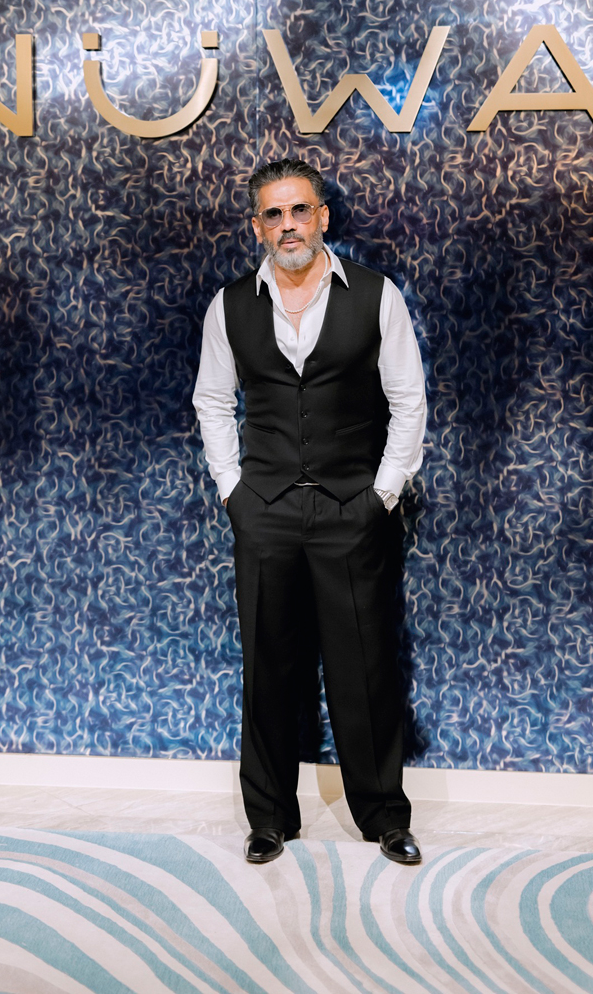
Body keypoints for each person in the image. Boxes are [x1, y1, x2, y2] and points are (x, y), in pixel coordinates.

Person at [193, 158, 427, 865]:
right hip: (263, 513)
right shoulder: (230, 305)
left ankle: (384, 816)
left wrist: (381, 495)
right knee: (267, 668)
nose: (287, 224)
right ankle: (269, 817)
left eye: (299, 210)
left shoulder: (376, 296)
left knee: (364, 668)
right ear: (257, 227)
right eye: (273, 213)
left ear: (322, 217)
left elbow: (408, 402)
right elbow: (212, 402)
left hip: (353, 510)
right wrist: (232, 490)